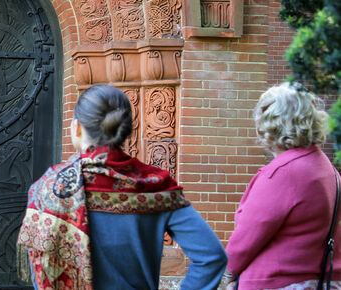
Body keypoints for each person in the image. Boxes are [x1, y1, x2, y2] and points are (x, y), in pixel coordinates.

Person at [17, 84, 227, 289]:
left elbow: (41, 269)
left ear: (77, 127)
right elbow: (211, 257)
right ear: (126, 130)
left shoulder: (49, 188)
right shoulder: (157, 186)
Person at [224, 82, 341, 289]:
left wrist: (228, 271)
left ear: (271, 125)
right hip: (321, 278)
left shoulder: (282, 173)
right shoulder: (327, 169)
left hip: (278, 280)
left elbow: (247, 237)